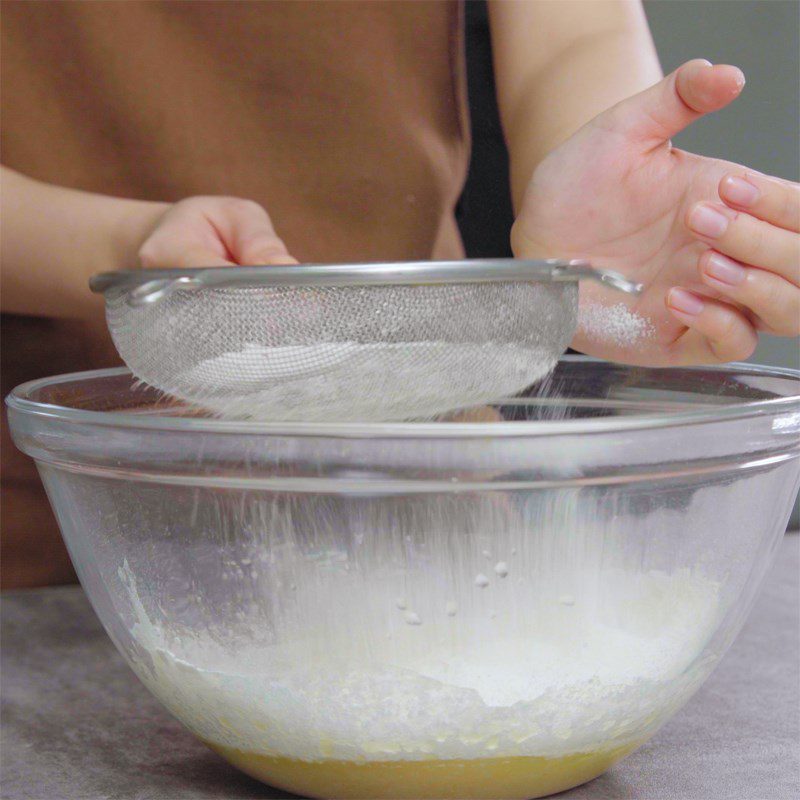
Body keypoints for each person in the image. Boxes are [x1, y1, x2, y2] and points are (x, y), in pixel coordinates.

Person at [1, 1, 798, 588]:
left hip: (429, 483)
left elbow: (576, 29)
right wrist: (124, 250)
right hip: (57, 559)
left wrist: (600, 185)